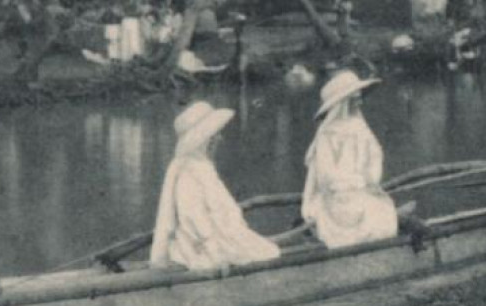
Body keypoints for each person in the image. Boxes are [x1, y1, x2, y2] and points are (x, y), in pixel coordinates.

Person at [150, 102, 281, 271]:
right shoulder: (188, 172)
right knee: (264, 252)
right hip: (202, 241)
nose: (220, 139)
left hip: (219, 234)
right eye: (215, 135)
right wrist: (213, 248)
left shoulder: (203, 166)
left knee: (267, 250)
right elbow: (192, 214)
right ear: (206, 140)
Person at [302, 70, 398, 248]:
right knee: (355, 210)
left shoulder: (360, 128)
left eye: (359, 97)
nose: (360, 102)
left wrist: (370, 180)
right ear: (344, 103)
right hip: (337, 196)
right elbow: (325, 175)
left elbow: (373, 161)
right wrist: (350, 184)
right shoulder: (328, 134)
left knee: (379, 210)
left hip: (362, 191)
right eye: (355, 98)